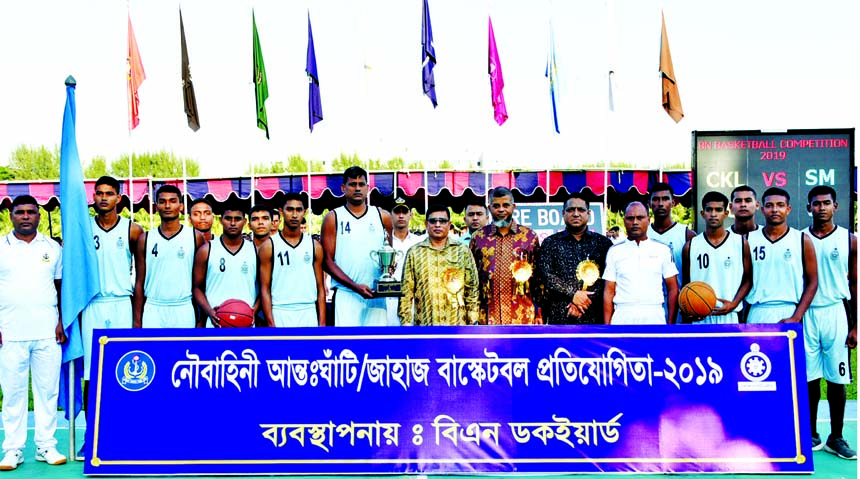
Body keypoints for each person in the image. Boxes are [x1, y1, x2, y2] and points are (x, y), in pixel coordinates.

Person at [0, 195, 67, 469]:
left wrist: (61, 321)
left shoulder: (53, 247)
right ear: (11, 215)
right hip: (10, 332)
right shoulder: (1, 247)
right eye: (20, 212)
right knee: (13, 394)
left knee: (47, 392)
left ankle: (46, 447)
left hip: (47, 331)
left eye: (30, 212)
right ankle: (13, 449)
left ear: (39, 216)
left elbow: (61, 288)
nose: (25, 216)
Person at [80, 176, 144, 455]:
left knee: (126, 372)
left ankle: (127, 431)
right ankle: (90, 434)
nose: (103, 198)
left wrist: (137, 317)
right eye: (99, 193)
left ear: (119, 198)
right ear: (93, 197)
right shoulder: (83, 229)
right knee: (91, 374)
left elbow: (140, 276)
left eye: (109, 193)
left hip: (121, 303)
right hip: (92, 305)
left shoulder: (133, 230)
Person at [803, 185, 857, 459]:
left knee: (837, 378)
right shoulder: (799, 238)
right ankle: (811, 433)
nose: (821, 207)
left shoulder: (850, 239)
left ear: (835, 206)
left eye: (826, 203)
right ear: (808, 207)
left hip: (836, 311)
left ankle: (837, 436)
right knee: (809, 377)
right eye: (816, 203)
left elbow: (856, 283)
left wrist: (856, 325)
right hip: (808, 313)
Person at [321, 167, 392, 326]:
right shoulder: (333, 218)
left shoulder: (383, 216)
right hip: (347, 295)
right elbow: (326, 261)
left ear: (368, 188)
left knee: (376, 346)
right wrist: (354, 286)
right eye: (353, 184)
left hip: (376, 295)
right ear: (343, 188)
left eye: (361, 184)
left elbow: (389, 255)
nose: (358, 188)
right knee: (348, 347)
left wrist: (390, 270)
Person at [133, 185, 204, 328]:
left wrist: (202, 317)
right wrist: (137, 320)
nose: (167, 205)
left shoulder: (195, 237)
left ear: (181, 206)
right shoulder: (144, 239)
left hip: (183, 307)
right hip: (153, 308)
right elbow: (139, 283)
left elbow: (201, 283)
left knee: (183, 350)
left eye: (172, 201)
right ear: (156, 206)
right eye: (162, 201)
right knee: (153, 350)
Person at [537, 193, 612, 325]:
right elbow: (545, 275)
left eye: (581, 210)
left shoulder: (603, 244)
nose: (576, 214)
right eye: (571, 210)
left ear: (588, 213)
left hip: (594, 317)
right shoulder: (550, 243)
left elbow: (608, 280)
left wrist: (582, 302)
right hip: (560, 316)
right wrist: (573, 294)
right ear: (563, 213)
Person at [745, 187, 817, 324]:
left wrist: (797, 317)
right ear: (762, 210)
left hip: (790, 310)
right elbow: (744, 280)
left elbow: (812, 282)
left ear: (788, 209)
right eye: (769, 205)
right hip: (757, 309)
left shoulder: (802, 239)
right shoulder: (748, 239)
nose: (774, 210)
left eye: (780, 205)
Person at [470, 187, 541, 325]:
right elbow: (472, 279)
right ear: (489, 208)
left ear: (513, 207)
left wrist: (539, 312)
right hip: (487, 317)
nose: (501, 210)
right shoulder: (478, 238)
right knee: (489, 348)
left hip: (522, 317)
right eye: (496, 206)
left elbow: (538, 279)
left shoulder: (529, 237)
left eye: (505, 205)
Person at [400, 204, 479, 325]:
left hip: (456, 325)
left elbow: (472, 288)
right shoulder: (415, 252)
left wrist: (473, 321)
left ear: (449, 224)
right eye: (433, 221)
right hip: (425, 326)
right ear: (426, 224)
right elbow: (406, 292)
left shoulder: (462, 251)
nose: (437, 225)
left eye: (442, 221)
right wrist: (406, 325)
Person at [193, 203, 269, 328]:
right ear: (220, 220)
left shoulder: (256, 251)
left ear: (244, 222)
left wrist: (252, 312)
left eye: (237, 219)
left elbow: (264, 288)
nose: (233, 223)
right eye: (228, 218)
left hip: (247, 323)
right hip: (215, 323)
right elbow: (196, 288)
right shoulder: (206, 250)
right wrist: (210, 312)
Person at [681, 191, 752, 324]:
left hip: (729, 314)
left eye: (718, 210)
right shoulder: (690, 246)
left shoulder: (740, 243)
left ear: (726, 213)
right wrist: (688, 308)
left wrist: (734, 303)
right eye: (709, 210)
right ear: (702, 213)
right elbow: (686, 284)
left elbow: (748, 280)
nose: (713, 214)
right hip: (700, 315)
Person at [603, 202, 679, 325]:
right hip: (622, 315)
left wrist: (670, 325)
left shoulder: (662, 250)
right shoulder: (615, 251)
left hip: (654, 316)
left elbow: (673, 288)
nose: (635, 222)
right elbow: (609, 292)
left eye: (640, 217)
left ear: (648, 220)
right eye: (630, 218)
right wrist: (607, 328)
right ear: (624, 221)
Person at [271, 193, 325, 327]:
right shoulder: (269, 245)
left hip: (308, 311)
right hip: (279, 310)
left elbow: (320, 287)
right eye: (289, 209)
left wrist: (322, 323)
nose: (294, 215)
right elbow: (264, 289)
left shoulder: (314, 246)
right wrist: (271, 324)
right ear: (281, 212)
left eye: (298, 210)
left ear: (304, 212)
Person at [648, 182, 695, 324]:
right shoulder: (642, 234)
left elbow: (694, 276)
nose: (660, 203)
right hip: (650, 303)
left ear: (673, 202)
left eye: (665, 199)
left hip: (679, 302)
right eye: (656, 199)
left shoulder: (687, 235)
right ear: (649, 203)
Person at [386, 197, 423, 325]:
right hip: (388, 300)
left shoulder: (419, 243)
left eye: (404, 212)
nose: (401, 216)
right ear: (390, 215)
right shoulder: (383, 242)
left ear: (411, 215)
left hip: (413, 301)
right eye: (397, 212)